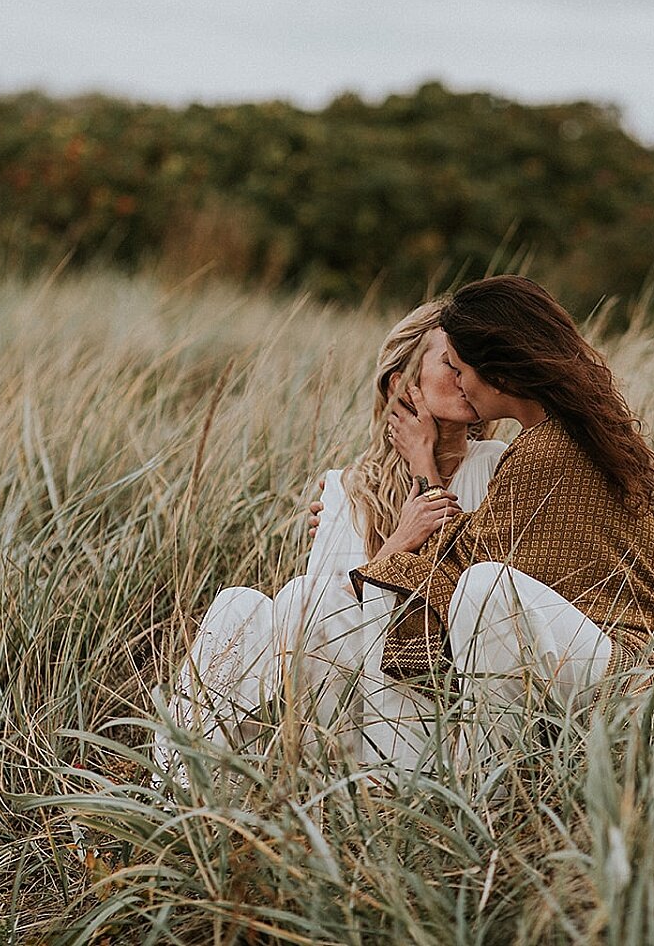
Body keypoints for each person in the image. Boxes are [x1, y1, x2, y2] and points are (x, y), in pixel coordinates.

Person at [166, 302, 506, 771]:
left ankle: (301, 779)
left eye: (471, 365)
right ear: (401, 386)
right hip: (340, 700)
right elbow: (317, 620)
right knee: (236, 607)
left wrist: (425, 470)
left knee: (301, 599)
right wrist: (399, 540)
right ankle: (186, 778)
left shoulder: (494, 464)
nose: (468, 377)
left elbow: (460, 589)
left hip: (436, 682)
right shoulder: (348, 488)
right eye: (451, 364)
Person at [351, 275, 654, 767]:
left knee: (483, 589)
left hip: (629, 675)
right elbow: (482, 550)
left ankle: (485, 792)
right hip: (607, 662)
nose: (458, 385)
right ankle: (481, 784)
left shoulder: (549, 451)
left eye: (460, 370)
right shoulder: (561, 436)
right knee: (482, 591)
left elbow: (459, 569)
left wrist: (415, 491)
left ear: (496, 369)